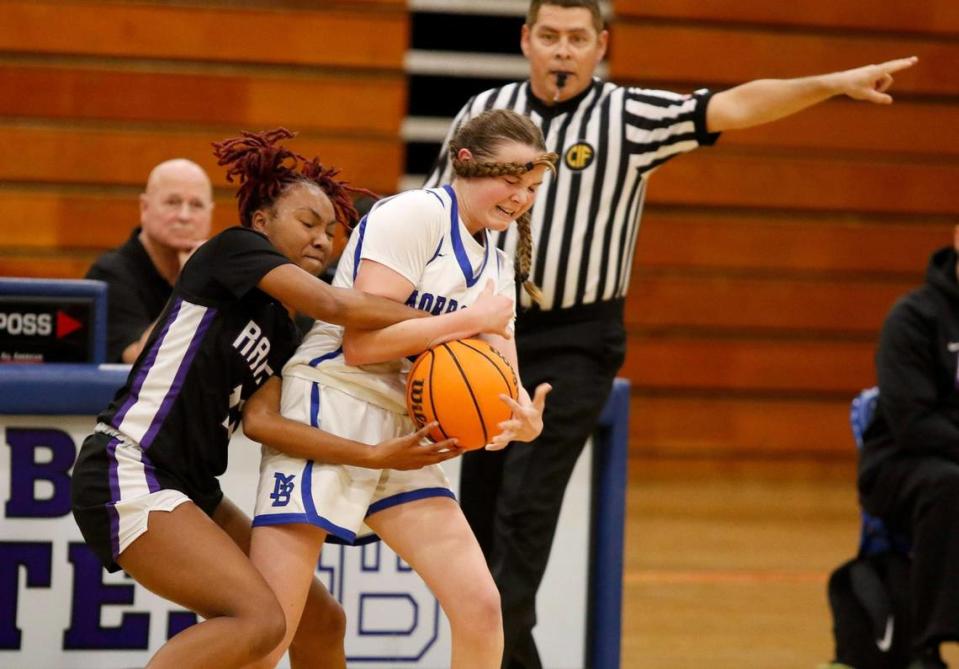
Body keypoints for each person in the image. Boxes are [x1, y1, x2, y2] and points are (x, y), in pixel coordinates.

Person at [424, 1, 920, 666]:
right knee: (479, 524)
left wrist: (829, 83)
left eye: (577, 38)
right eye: (549, 37)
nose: (563, 52)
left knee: (521, 517)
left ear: (600, 46)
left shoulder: (627, 116)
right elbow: (435, 210)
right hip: (486, 334)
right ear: (525, 41)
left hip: (575, 339)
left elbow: (736, 105)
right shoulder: (484, 112)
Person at [70, 128, 475, 669]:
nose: (323, 241)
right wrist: (451, 323)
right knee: (258, 620)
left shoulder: (282, 326)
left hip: (192, 487)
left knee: (320, 621)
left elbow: (262, 423)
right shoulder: (233, 252)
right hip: (129, 465)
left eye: (331, 232)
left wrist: (375, 456)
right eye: (308, 223)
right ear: (261, 221)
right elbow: (334, 302)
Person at [244, 109, 555, 669]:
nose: (520, 198)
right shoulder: (413, 215)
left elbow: (503, 382)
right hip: (329, 405)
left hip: (405, 428)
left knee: (482, 606)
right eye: (509, 180)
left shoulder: (498, 266)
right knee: (269, 631)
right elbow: (361, 345)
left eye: (531, 187)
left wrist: (517, 421)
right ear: (464, 162)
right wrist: (467, 321)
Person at [857, 228, 959, 669]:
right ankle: (925, 647)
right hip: (901, 465)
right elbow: (913, 423)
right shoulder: (914, 316)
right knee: (951, 486)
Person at [85, 159, 214, 363]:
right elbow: (139, 359)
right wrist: (190, 285)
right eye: (173, 202)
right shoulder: (110, 274)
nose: (184, 216)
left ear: (210, 214)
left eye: (196, 205)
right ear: (145, 207)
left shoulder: (218, 275)